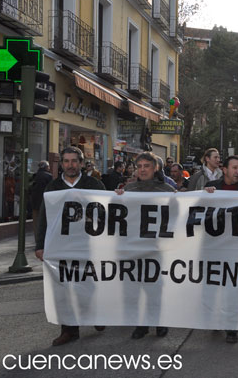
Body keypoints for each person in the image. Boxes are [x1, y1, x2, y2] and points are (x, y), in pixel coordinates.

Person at [34, 147, 106, 346]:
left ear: (81, 163)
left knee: (91, 283)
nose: (70, 165)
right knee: (64, 288)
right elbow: (45, 218)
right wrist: (40, 245)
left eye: (74, 161)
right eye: (66, 161)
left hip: (89, 244)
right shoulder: (53, 187)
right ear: (62, 164)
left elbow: (107, 211)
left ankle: (96, 315)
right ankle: (69, 329)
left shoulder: (94, 184)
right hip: (62, 246)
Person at [117, 152, 175, 340]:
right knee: (135, 286)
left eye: (146, 166)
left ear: (155, 168)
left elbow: (177, 215)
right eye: (139, 166)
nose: (142, 170)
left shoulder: (167, 190)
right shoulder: (129, 189)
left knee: (156, 287)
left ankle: (159, 322)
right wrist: (116, 198)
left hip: (157, 247)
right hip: (133, 246)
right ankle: (141, 324)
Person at [204, 155, 238, 343]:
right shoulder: (212, 188)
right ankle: (215, 320)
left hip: (237, 248)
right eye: (235, 168)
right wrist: (204, 196)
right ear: (224, 169)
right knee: (213, 287)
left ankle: (231, 328)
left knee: (233, 289)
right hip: (215, 249)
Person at [30, 160, 53, 236]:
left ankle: (37, 239)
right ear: (46, 167)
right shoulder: (49, 176)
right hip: (45, 203)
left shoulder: (34, 176)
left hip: (35, 203)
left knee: (36, 222)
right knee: (44, 222)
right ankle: (43, 240)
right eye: (48, 166)